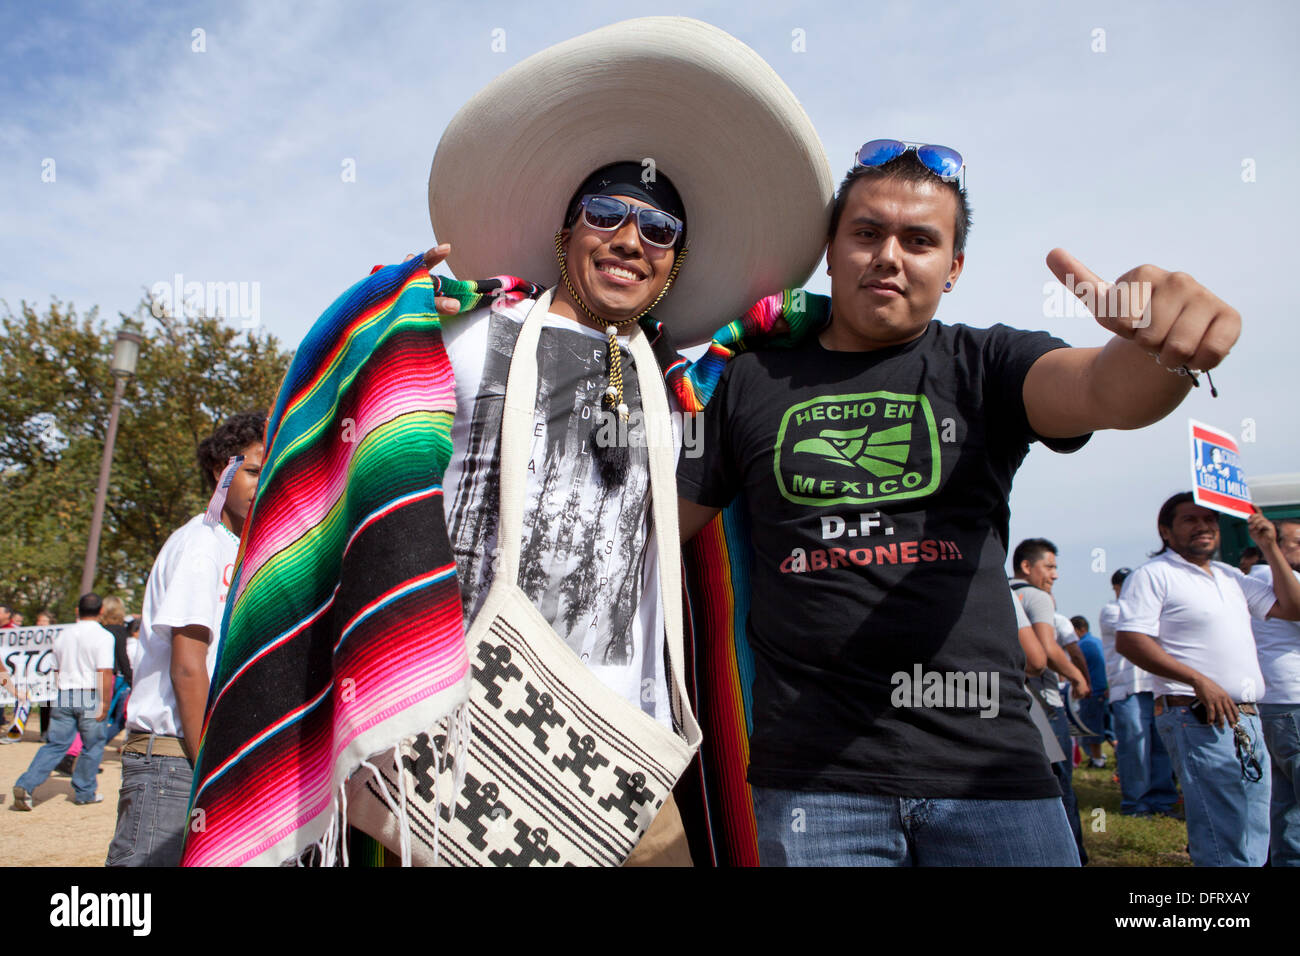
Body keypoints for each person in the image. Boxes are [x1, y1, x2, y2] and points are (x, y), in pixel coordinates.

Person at [181, 17, 832, 868]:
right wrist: (392, 302)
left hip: (615, 734)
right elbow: (359, 430)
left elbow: (779, 371)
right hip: (460, 718)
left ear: (674, 266)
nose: (631, 239)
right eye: (607, 213)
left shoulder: (680, 386)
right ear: (568, 234)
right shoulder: (470, 337)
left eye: (660, 231)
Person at [678, 139, 1244, 867]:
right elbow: (658, 526)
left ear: (954, 269)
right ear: (830, 249)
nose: (889, 256)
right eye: (866, 233)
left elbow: (1106, 391)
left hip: (992, 777)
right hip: (814, 785)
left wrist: (1161, 347)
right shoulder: (748, 382)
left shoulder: (987, 363)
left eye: (919, 240)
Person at [104, 412, 264, 866]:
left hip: (200, 758)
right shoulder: (202, 543)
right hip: (175, 762)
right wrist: (207, 772)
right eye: (252, 470)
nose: (261, 484)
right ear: (222, 471)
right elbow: (188, 666)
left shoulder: (237, 547)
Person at [1116, 492, 1300, 866]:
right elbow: (1131, 640)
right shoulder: (1153, 575)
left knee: (1253, 832)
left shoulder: (1231, 576)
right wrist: (1197, 679)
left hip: (1247, 717)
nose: (1203, 527)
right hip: (1197, 715)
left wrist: (1269, 545)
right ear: (1165, 531)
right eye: (1190, 520)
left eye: (1210, 520)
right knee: (1224, 834)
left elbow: (1293, 607)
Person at [1010, 538, 1089, 863]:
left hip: (1009, 703)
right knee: (1059, 785)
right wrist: (1077, 676)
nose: (1054, 575)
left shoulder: (998, 589)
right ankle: (1072, 854)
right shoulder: (1036, 596)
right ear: (1027, 566)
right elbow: (1043, 652)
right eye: (1050, 566)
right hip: (1044, 703)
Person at [12, 593, 114, 808]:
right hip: (89, 693)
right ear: (101, 611)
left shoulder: (63, 635)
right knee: (93, 745)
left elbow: (57, 668)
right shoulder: (104, 637)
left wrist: (61, 690)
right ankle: (85, 791)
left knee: (55, 744)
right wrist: (105, 703)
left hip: (65, 693)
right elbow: (104, 672)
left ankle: (26, 784)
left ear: (78, 610)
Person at [1099, 567, 1178, 816]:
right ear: (1116, 588)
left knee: (1159, 745)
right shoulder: (1112, 610)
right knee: (1134, 747)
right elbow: (1145, 630)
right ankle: (1135, 804)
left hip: (1154, 687)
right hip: (1128, 690)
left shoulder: (1146, 609)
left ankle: (1162, 801)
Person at [1247, 517, 1300, 865]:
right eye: (1297, 542)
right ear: (1276, 544)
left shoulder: (1260, 578)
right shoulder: (1271, 576)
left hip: (1277, 704)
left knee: (1286, 802)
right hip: (1292, 700)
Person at [1070, 614, 1109, 767]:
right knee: (1106, 727)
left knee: (1091, 728)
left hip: (1091, 692)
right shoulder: (1098, 642)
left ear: (1081, 629)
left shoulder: (1082, 646)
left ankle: (1097, 759)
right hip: (1104, 690)